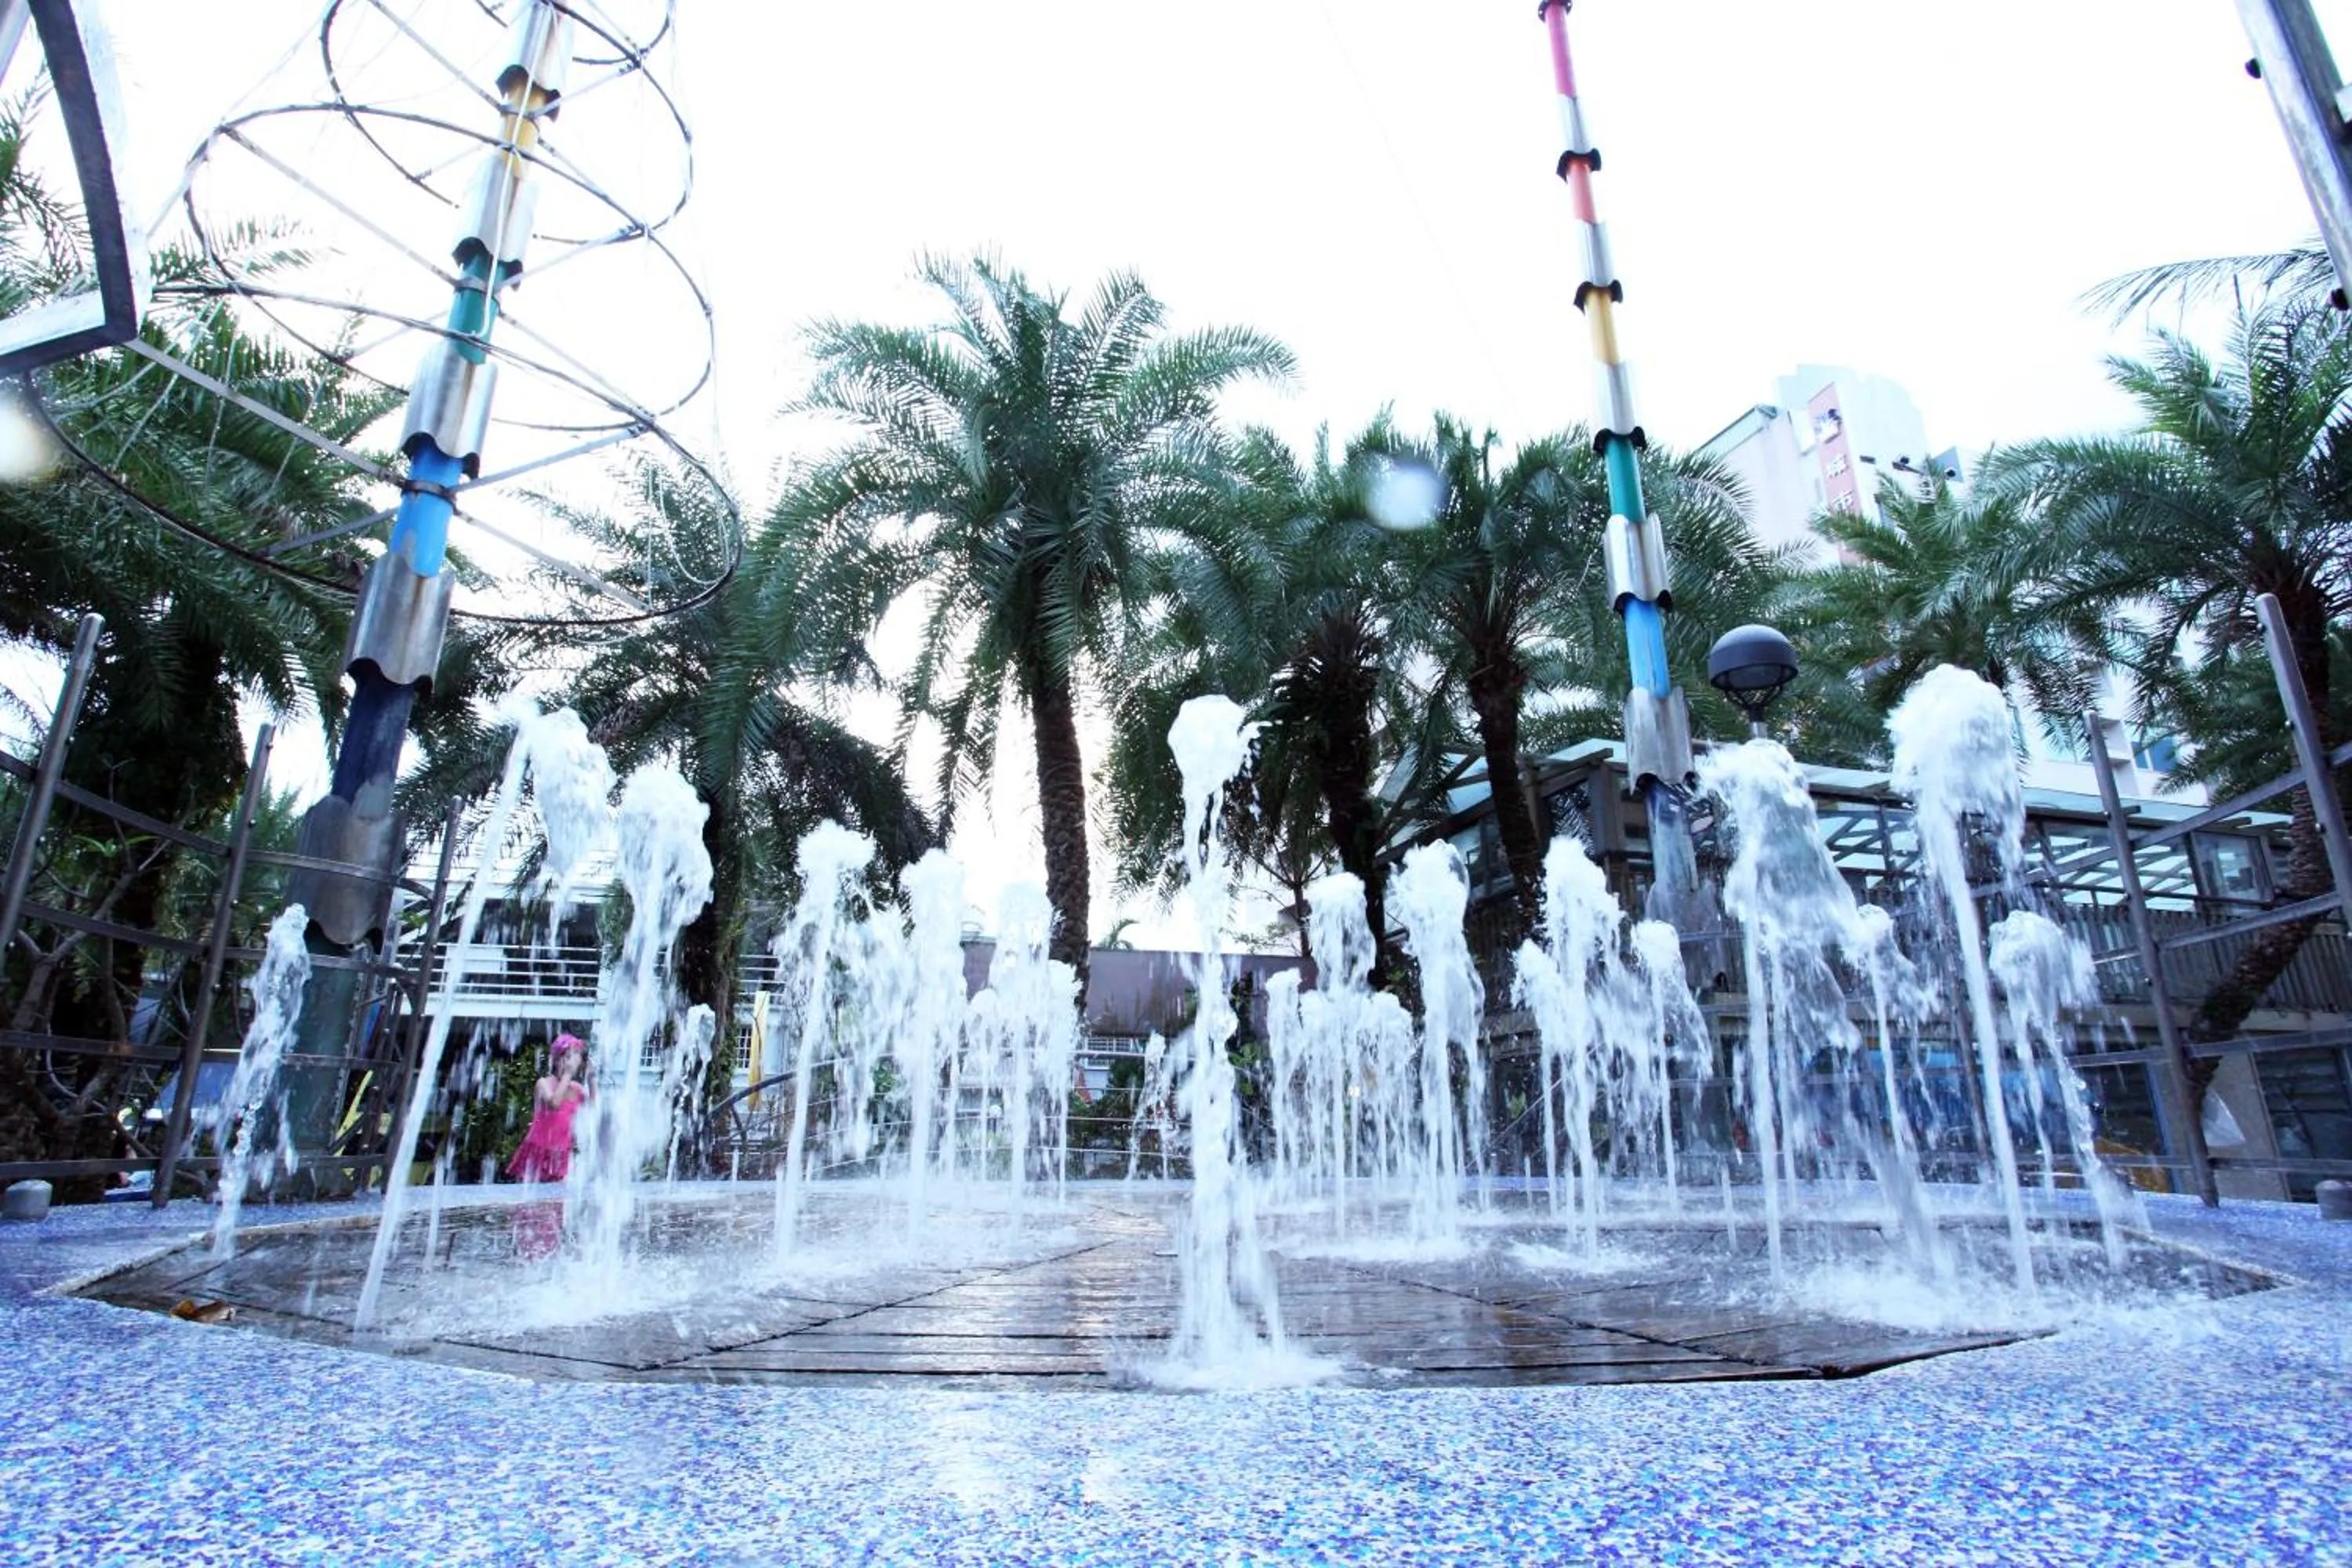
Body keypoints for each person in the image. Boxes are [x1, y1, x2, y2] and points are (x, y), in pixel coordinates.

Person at [506, 1033, 590, 1183]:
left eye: (575, 1059)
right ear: (557, 1059)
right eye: (569, 1057)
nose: (572, 1063)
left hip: (562, 1154)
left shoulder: (577, 1089)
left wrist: (593, 1078)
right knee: (533, 1198)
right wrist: (568, 1075)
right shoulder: (543, 1083)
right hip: (538, 1150)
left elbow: (595, 1109)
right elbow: (554, 1103)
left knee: (558, 1199)